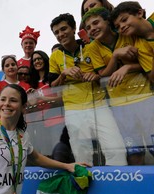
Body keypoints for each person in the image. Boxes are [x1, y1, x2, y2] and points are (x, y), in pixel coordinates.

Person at [49, 13, 127, 166]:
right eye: (56, 32)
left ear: (73, 29)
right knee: (81, 154)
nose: (60, 34)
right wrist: (63, 74)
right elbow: (52, 86)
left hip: (98, 104)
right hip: (73, 109)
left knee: (115, 148)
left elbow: (103, 74)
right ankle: (86, 186)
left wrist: (96, 76)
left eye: (64, 29)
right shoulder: (55, 56)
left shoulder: (91, 47)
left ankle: (117, 185)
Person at [83, 7, 154, 165]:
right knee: (134, 151)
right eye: (88, 28)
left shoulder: (127, 33)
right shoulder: (92, 47)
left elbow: (145, 62)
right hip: (119, 104)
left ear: (108, 22)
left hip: (146, 97)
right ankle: (137, 187)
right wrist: (115, 56)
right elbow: (103, 74)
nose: (92, 29)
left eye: (96, 23)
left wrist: (127, 67)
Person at [110, 1, 154, 83]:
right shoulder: (140, 49)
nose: (122, 26)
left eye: (124, 20)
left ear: (139, 13)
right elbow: (152, 78)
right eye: (118, 27)